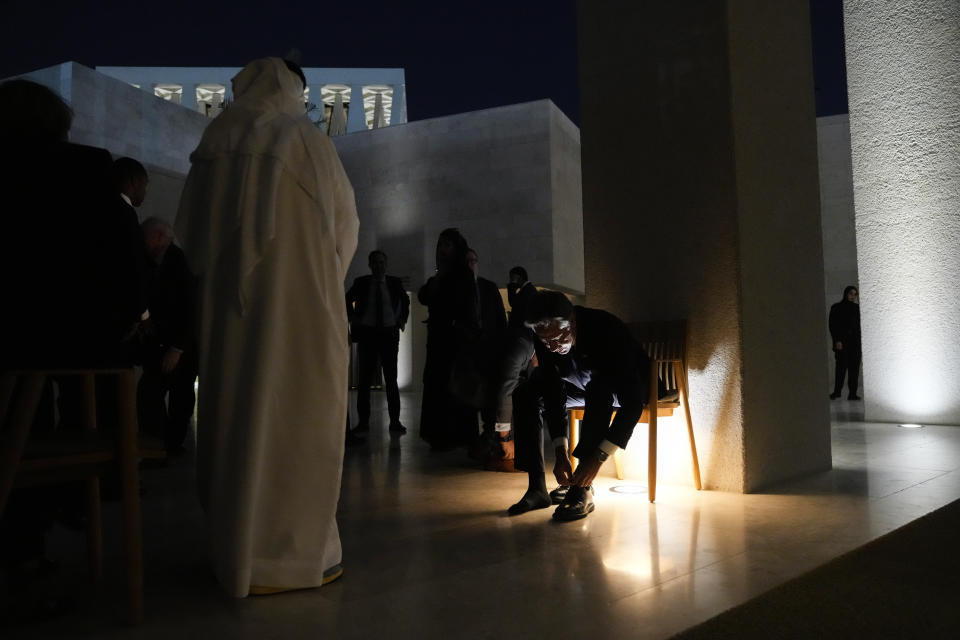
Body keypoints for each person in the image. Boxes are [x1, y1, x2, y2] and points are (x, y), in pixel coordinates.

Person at [174, 58, 358, 597]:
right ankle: (290, 554)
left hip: (230, 320)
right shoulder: (303, 139)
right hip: (301, 310)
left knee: (235, 417)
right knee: (296, 420)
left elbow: (189, 235)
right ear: (293, 89)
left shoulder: (213, 145)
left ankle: (235, 549)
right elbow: (343, 230)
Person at [508, 290, 652, 522]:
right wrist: (560, 451)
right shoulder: (544, 336)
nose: (552, 347)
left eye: (557, 339)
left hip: (628, 387)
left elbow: (632, 404)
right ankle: (537, 488)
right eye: (545, 341)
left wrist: (596, 458)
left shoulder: (606, 329)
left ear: (572, 322)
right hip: (583, 385)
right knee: (527, 391)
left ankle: (582, 488)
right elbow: (552, 389)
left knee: (599, 389)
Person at [137, 217, 199, 454]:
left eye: (147, 238)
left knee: (174, 397)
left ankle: (166, 447)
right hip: (169, 345)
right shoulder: (165, 261)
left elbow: (189, 308)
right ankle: (163, 446)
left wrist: (177, 348)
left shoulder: (178, 263)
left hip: (177, 347)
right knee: (159, 396)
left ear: (159, 236)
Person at [417, 228, 480, 450]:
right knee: (438, 386)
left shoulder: (462, 276)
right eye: (440, 244)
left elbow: (465, 309)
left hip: (455, 343)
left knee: (455, 387)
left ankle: (457, 436)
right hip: (439, 342)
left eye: (447, 245)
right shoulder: (440, 275)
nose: (442, 249)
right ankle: (440, 435)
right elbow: (423, 296)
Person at [345, 250, 410, 435]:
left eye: (381, 262)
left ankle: (395, 422)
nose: (378, 266)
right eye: (375, 262)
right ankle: (363, 423)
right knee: (364, 381)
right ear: (370, 264)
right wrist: (353, 318)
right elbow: (347, 298)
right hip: (368, 335)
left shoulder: (394, 283)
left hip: (389, 334)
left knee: (391, 380)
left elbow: (405, 302)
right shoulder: (362, 283)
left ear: (386, 264)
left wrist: (402, 320)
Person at [829, 285, 862, 400]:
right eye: (850, 293)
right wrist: (837, 340)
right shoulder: (837, 308)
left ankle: (852, 393)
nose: (853, 296)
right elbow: (833, 326)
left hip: (855, 344)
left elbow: (859, 327)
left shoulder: (857, 309)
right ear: (846, 294)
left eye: (855, 294)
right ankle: (837, 392)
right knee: (841, 368)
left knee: (854, 369)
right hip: (842, 343)